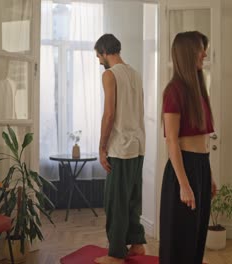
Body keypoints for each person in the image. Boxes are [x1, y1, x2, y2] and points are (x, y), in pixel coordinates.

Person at [159, 31, 217, 264]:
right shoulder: (173, 91)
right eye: (200, 49)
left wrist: (209, 176)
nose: (204, 54)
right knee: (179, 239)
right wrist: (184, 185)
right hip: (183, 169)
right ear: (187, 53)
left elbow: (203, 142)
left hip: (200, 167)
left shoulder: (199, 91)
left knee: (196, 236)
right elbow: (172, 140)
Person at [94, 33, 146, 264]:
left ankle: (115, 253)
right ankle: (136, 244)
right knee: (133, 198)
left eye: (98, 56)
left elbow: (109, 114)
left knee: (116, 201)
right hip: (138, 145)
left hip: (120, 147)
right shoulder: (135, 74)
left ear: (105, 52)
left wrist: (102, 146)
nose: (98, 60)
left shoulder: (110, 74)